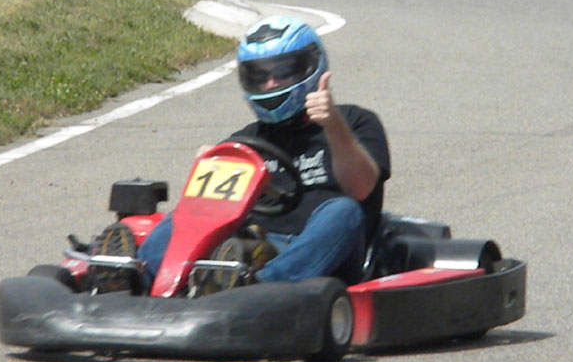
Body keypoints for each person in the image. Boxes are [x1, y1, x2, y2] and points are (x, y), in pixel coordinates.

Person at [98, 15, 390, 293]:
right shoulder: (243, 143)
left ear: (309, 66)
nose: (271, 84)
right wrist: (207, 171)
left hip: (327, 255)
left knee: (344, 210)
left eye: (282, 71)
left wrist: (333, 125)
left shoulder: (354, 122)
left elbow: (361, 187)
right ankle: (134, 277)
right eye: (260, 76)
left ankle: (259, 289)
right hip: (251, 247)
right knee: (189, 212)